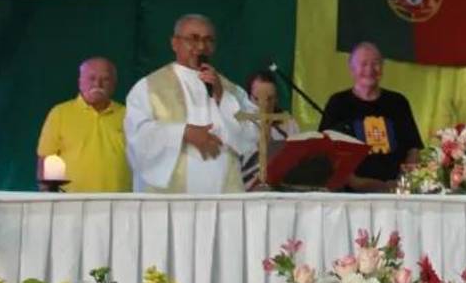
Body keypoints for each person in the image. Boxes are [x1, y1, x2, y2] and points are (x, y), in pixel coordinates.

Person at [124, 14, 257, 193]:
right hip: (171, 202)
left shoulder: (231, 90)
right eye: (193, 39)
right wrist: (183, 133)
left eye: (208, 40)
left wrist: (222, 98)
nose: (201, 47)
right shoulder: (148, 88)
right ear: (174, 43)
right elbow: (136, 136)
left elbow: (253, 137)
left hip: (223, 197)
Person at [319, 42, 423, 192]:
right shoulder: (338, 103)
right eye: (363, 64)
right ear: (352, 69)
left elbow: (413, 149)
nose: (370, 70)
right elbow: (327, 152)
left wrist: (403, 183)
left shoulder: (398, 102)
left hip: (395, 193)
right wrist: (357, 183)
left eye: (376, 64)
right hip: (350, 194)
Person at [36, 57, 130, 193]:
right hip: (70, 203)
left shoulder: (128, 115)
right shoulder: (60, 113)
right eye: (91, 78)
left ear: (114, 84)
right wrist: (47, 197)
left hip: (119, 202)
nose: (98, 84)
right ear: (80, 82)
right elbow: (45, 159)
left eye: (105, 79)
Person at [239, 70, 302, 190]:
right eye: (257, 99)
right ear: (248, 98)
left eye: (270, 99)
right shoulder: (241, 124)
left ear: (277, 98)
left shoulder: (288, 123)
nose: (265, 105)